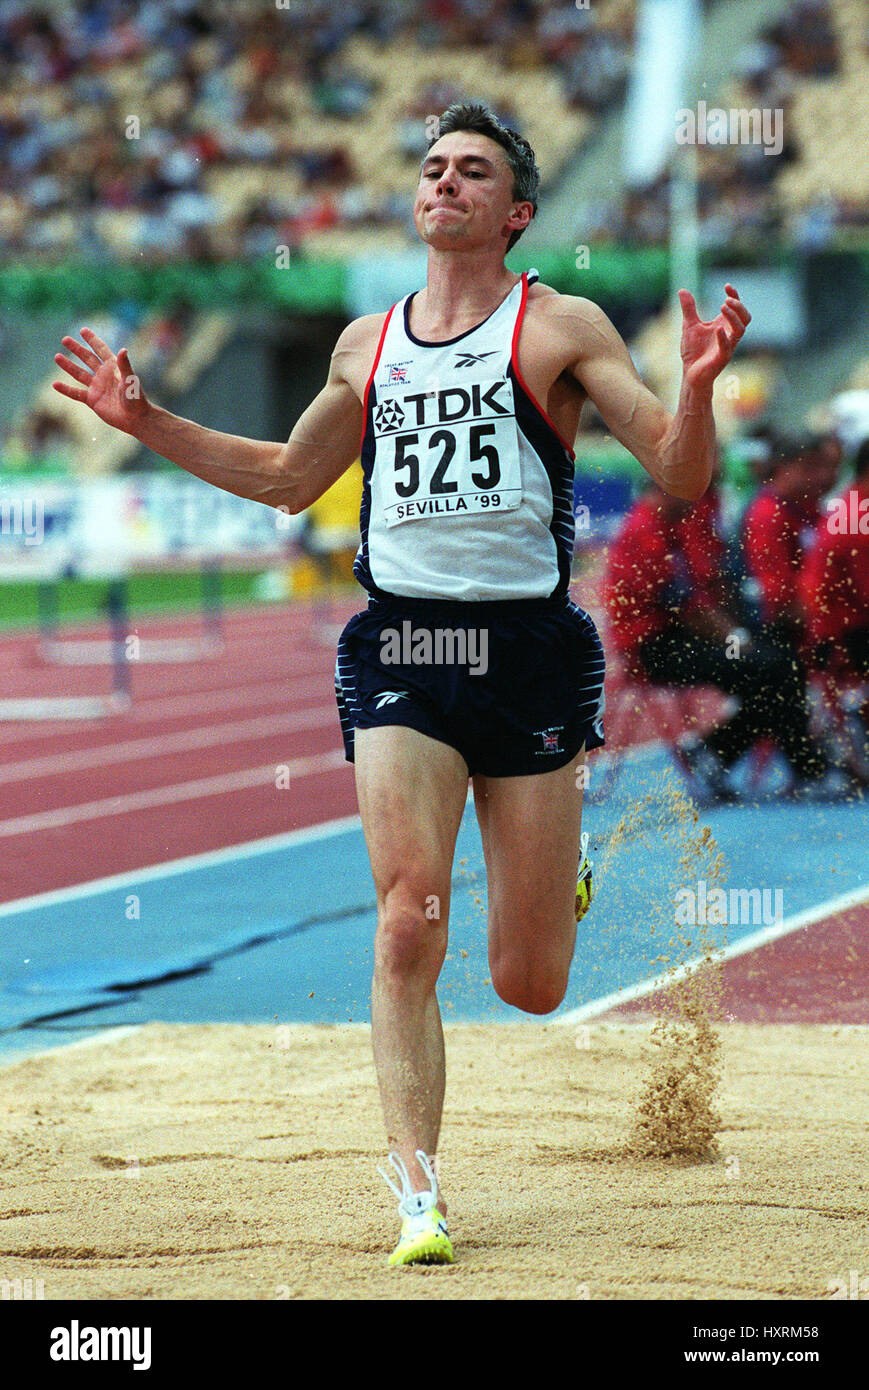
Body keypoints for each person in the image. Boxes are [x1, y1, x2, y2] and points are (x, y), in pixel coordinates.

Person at [52, 101, 751, 1266]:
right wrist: (145, 419)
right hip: (403, 651)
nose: (442, 183)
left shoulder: (557, 325)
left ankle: (551, 868)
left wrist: (698, 387)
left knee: (526, 981)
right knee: (402, 916)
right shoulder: (364, 343)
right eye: (430, 168)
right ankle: (416, 1195)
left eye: (470, 171)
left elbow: (678, 472)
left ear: (514, 212)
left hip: (526, 650)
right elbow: (286, 478)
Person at [605, 478, 829, 800]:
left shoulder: (668, 526)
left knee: (777, 665)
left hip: (680, 637)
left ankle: (718, 753)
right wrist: (738, 638)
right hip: (655, 650)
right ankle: (802, 768)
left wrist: (739, 635)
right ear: (663, 489)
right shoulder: (645, 532)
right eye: (690, 494)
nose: (698, 503)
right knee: (774, 668)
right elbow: (688, 609)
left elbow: (702, 599)